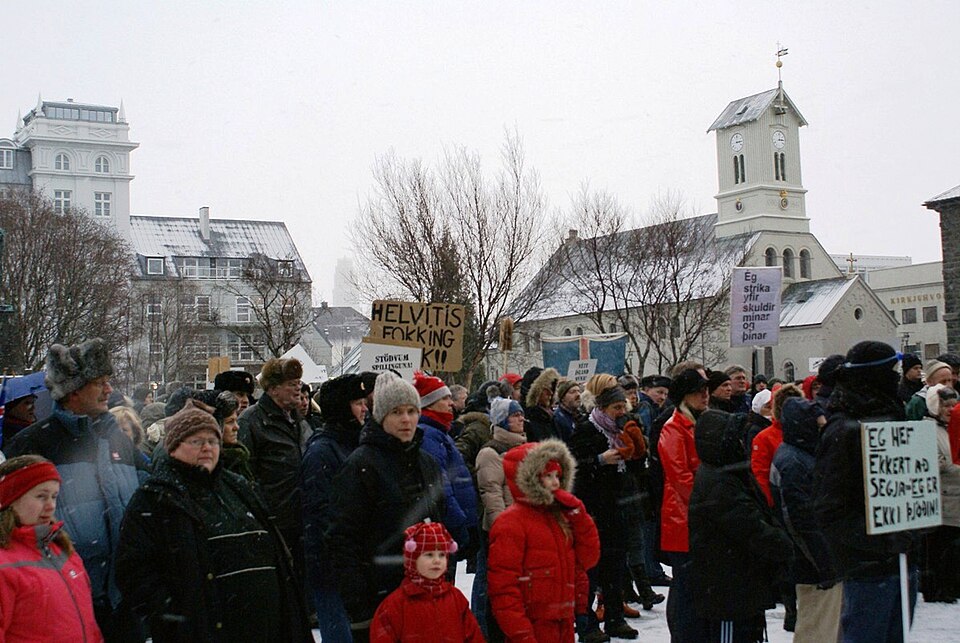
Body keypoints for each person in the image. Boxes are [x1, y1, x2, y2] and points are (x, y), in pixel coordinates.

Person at [116, 401, 311, 642]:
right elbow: (134, 570)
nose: (207, 447)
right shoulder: (155, 498)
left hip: (265, 628)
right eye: (196, 441)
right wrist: (176, 614)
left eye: (213, 441)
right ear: (174, 447)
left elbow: (275, 552)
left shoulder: (238, 487)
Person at [5, 339, 140, 642]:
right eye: (100, 383)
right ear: (74, 391)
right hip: (63, 595)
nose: (109, 390)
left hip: (123, 598)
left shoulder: (117, 437)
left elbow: (147, 497)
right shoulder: (33, 444)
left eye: (108, 382)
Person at [325, 371, 445, 642]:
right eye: (397, 412)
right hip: (381, 595)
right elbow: (343, 539)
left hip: (428, 592)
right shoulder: (360, 466)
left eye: (412, 411)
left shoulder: (427, 463)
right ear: (381, 416)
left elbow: (439, 525)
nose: (406, 419)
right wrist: (360, 606)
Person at [813, 341, 920, 643]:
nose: (896, 379)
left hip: (901, 561)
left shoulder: (894, 416)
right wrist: (880, 540)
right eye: (890, 372)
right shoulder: (844, 429)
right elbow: (829, 509)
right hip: (868, 569)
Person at [689, 410, 793, 642]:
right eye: (734, 438)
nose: (740, 443)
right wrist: (783, 544)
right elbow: (751, 526)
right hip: (728, 587)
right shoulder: (718, 482)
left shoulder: (727, 473)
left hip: (738, 580)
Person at [488, 439, 600, 643]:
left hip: (563, 621)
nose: (556, 482)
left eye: (558, 475)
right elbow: (503, 588)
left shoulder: (561, 516)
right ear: (530, 480)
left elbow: (587, 559)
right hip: (532, 625)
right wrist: (521, 633)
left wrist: (579, 515)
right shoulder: (510, 524)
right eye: (548, 476)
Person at [0, 455, 104, 642]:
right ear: (11, 499)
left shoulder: (62, 550)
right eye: (41, 496)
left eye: (54, 497)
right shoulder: (4, 564)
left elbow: (88, 624)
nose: (51, 506)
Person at [568, 384, 641, 640]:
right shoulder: (588, 429)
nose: (620, 412)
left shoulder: (623, 430)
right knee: (591, 569)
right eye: (616, 408)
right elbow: (574, 465)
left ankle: (614, 618)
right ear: (602, 408)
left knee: (616, 567)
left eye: (623, 407)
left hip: (617, 506)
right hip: (594, 508)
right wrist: (600, 460)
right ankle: (587, 623)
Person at [300, 374, 368, 643]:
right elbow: (321, 517)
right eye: (357, 402)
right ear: (341, 407)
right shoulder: (322, 452)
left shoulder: (355, 443)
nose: (365, 408)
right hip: (332, 567)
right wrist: (339, 561)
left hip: (354, 563)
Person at [773, 397, 842, 642]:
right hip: (811, 562)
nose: (824, 429)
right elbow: (798, 520)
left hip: (813, 557)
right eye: (819, 424)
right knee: (817, 628)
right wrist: (824, 564)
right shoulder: (793, 462)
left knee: (820, 624)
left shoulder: (800, 454)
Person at [238, 357, 309, 587]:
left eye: (299, 382)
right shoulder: (251, 421)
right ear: (273, 389)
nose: (298, 387)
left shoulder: (297, 419)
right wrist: (264, 513)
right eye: (291, 383)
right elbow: (245, 475)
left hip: (299, 517)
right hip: (273, 521)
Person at [658, 368, 710, 643]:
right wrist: (709, 501)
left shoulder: (699, 422)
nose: (705, 394)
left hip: (694, 516)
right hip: (683, 518)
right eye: (698, 390)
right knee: (685, 588)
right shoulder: (674, 428)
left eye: (705, 389)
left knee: (692, 586)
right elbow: (681, 477)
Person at [370, 520, 483, 642]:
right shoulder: (395, 605)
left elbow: (473, 635)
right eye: (429, 555)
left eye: (441, 555)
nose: (436, 560)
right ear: (413, 559)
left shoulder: (455, 598)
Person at [414, 371, 479, 576]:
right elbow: (441, 485)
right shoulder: (429, 436)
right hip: (447, 529)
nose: (451, 403)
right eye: (445, 398)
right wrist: (459, 523)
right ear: (429, 404)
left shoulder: (440, 433)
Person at [474, 397, 527, 638]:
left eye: (520, 414)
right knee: (496, 590)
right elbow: (491, 492)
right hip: (501, 531)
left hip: (523, 528)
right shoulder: (490, 452)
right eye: (515, 415)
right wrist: (501, 529)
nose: (520, 419)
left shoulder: (524, 447)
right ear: (502, 420)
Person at [920, 384, 960, 603]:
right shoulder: (927, 430)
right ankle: (940, 590)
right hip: (942, 504)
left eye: (954, 405)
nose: (950, 409)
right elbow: (933, 464)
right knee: (942, 552)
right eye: (946, 405)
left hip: (955, 500)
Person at [750, 383, 802, 506]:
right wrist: (770, 505)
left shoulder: (806, 431)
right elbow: (761, 475)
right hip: (782, 500)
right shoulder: (763, 437)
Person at [524, 368, 561, 442]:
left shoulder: (551, 417)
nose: (550, 393)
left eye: (552, 389)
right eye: (546, 390)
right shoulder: (528, 421)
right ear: (535, 392)